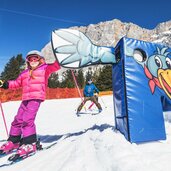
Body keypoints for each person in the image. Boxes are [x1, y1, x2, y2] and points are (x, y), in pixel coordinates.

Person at [0, 50, 60, 157]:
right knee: (18, 119)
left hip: (36, 98)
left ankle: (30, 143)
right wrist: (6, 84)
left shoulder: (45, 69)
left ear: (40, 59)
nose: (33, 61)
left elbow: (55, 66)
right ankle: (14, 141)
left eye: (35, 59)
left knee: (27, 119)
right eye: (30, 59)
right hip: (26, 99)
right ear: (27, 61)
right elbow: (17, 83)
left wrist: (60, 58)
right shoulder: (24, 73)